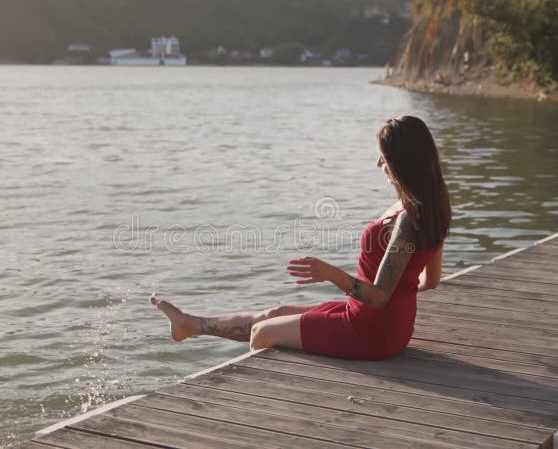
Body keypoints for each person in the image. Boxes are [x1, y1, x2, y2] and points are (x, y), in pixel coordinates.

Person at [150, 116, 450, 360]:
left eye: (382, 159)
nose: (378, 166)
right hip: (382, 323)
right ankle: (189, 325)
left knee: (263, 334)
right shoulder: (432, 205)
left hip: (372, 332)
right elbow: (430, 282)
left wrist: (331, 274)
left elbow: (381, 297)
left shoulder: (408, 221)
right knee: (275, 314)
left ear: (400, 162)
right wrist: (401, 286)